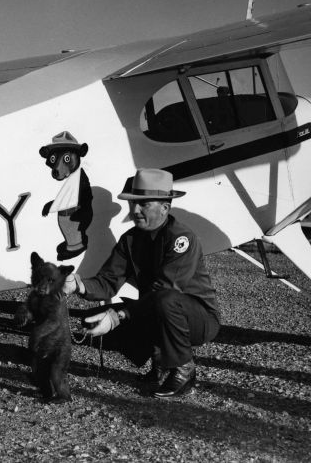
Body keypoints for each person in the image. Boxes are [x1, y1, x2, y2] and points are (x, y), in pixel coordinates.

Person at [63, 168, 220, 398]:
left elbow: (166, 291)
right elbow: (108, 282)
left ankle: (184, 369)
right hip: (158, 308)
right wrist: (79, 285)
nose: (134, 210)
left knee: (161, 302)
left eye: (144, 204)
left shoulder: (181, 239)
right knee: (94, 318)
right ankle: (161, 364)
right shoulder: (131, 239)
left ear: (165, 208)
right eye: (132, 203)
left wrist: (119, 316)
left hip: (198, 319)